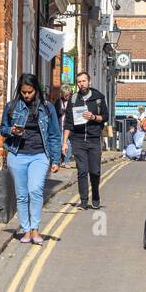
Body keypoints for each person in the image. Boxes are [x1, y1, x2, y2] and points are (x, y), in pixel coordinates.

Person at [0, 73, 61, 245]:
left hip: (40, 155)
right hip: (17, 154)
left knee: (35, 190)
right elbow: (2, 129)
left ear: (36, 90)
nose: (27, 95)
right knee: (21, 195)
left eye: (30, 92)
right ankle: (26, 230)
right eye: (24, 92)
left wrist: (56, 160)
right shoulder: (12, 107)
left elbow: (54, 135)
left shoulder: (47, 108)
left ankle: (35, 229)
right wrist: (12, 130)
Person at [62, 70, 107, 209]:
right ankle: (83, 200)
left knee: (95, 171)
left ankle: (95, 194)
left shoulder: (98, 98)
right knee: (82, 170)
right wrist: (64, 142)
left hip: (94, 139)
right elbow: (68, 122)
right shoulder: (74, 99)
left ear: (89, 81)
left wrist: (93, 117)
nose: (82, 84)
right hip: (78, 139)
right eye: (79, 81)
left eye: (84, 81)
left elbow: (105, 117)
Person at [54, 83, 74, 166]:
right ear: (62, 94)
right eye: (65, 94)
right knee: (60, 143)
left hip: (68, 126)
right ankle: (59, 160)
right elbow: (55, 113)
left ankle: (66, 161)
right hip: (59, 125)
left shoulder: (72, 102)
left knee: (67, 143)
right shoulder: (58, 101)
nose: (67, 96)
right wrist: (61, 111)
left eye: (68, 94)